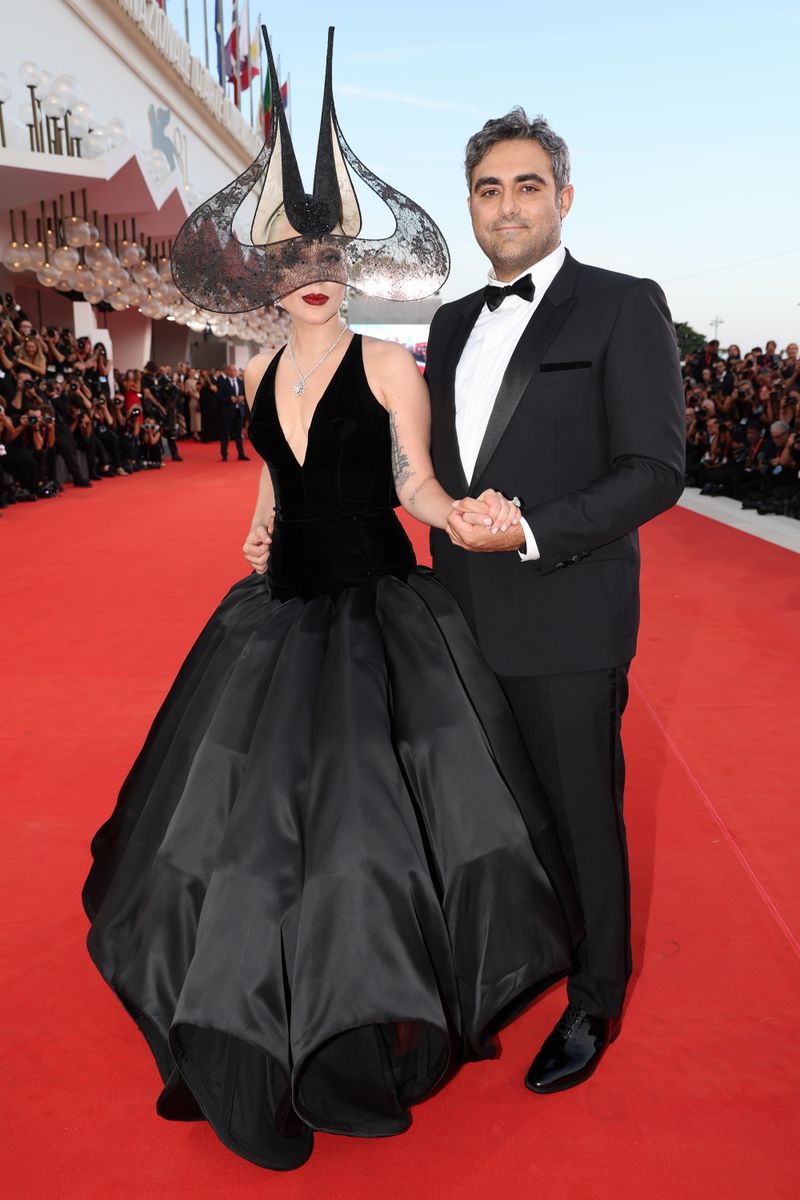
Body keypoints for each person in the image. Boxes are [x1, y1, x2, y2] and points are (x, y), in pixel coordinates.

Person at [82, 26, 580, 1173]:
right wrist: (256, 524)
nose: (312, 266)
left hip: (374, 614)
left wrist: (455, 515)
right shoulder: (254, 371)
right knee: (247, 830)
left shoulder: (391, 364)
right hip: (274, 607)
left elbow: (410, 476)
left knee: (360, 836)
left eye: (328, 248)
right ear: (269, 265)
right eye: (293, 249)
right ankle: (256, 1022)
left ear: (351, 263)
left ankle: (351, 1037)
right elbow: (271, 469)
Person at [425, 109, 685, 1095]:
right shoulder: (449, 322)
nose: (506, 204)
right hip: (453, 621)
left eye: (526, 185)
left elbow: (653, 468)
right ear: (470, 207)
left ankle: (594, 992)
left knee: (579, 816)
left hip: (567, 613)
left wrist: (530, 529)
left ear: (561, 199)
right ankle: (517, 960)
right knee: (491, 817)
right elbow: (439, 467)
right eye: (488, 188)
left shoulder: (622, 306)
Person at [215, 363, 250, 460]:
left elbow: (245, 393)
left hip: (239, 411)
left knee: (239, 434)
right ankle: (224, 454)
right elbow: (219, 397)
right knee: (225, 434)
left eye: (234, 370)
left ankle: (241, 454)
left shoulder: (240, 381)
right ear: (226, 371)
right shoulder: (222, 382)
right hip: (226, 412)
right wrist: (229, 399)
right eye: (230, 370)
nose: (233, 372)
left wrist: (243, 397)